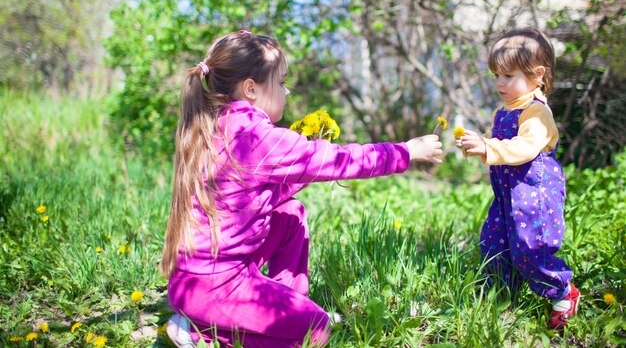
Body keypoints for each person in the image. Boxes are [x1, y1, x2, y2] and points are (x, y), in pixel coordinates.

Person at [162, 30, 443, 347]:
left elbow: (252, 197)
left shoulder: (215, 123)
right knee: (317, 331)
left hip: (195, 277)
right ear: (251, 88)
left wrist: (302, 170)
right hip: (216, 285)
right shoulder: (257, 137)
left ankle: (287, 305)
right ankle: (202, 334)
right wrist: (405, 152)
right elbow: (339, 160)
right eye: (281, 82)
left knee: (290, 214)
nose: (287, 90)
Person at [455, 27, 579, 330]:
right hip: (508, 193)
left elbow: (524, 148)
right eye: (497, 75)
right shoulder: (506, 109)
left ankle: (563, 292)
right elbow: (505, 146)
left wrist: (489, 147)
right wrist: (481, 144)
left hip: (534, 194)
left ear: (537, 75)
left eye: (508, 76)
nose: (499, 83)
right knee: (495, 244)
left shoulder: (536, 113)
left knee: (530, 246)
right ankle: (500, 299)